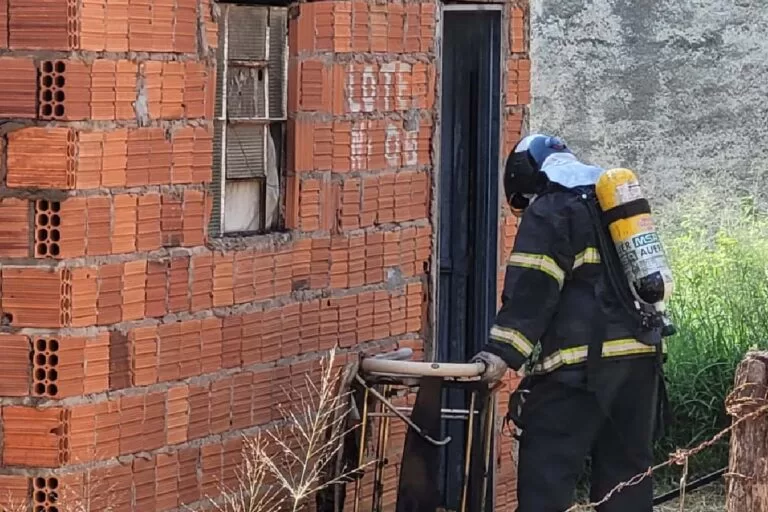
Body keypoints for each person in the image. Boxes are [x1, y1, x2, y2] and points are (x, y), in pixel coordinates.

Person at [471, 134, 670, 512]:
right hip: (642, 361)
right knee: (627, 480)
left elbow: (533, 288)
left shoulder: (551, 208)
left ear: (527, 177)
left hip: (581, 369)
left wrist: (499, 353)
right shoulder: (613, 204)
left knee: (546, 474)